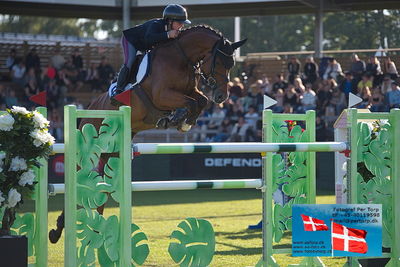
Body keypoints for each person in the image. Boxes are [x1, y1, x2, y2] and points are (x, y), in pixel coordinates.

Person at [113, 4, 191, 97]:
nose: (181, 26)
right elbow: (148, 39)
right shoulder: (156, 24)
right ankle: (118, 90)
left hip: (144, 45)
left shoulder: (172, 31)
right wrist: (167, 35)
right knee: (130, 61)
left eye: (182, 23)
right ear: (170, 21)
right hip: (131, 40)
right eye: (179, 23)